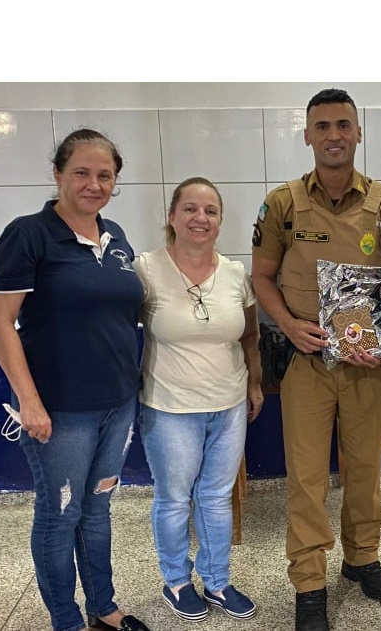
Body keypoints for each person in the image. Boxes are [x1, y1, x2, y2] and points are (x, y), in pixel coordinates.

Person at [251, 88, 381, 631]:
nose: (334, 135)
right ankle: (309, 583)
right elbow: (262, 277)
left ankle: (362, 557)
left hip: (368, 364)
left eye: (343, 124)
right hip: (308, 363)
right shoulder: (283, 203)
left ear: (358, 132)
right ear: (307, 135)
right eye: (322, 126)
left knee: (365, 469)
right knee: (306, 478)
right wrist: (288, 324)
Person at [0, 129, 151, 631]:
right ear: (57, 174)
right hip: (59, 410)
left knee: (97, 508)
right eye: (81, 172)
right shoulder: (28, 234)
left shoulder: (115, 236)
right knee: (60, 514)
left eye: (105, 175)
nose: (93, 184)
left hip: (117, 404)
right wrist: (29, 402)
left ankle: (104, 608)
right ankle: (66, 620)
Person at [135, 177, 264, 623]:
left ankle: (217, 581)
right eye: (190, 209)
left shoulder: (235, 273)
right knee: (174, 499)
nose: (200, 218)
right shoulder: (145, 270)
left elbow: (250, 335)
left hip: (228, 405)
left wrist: (254, 384)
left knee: (215, 497)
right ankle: (176, 580)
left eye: (210, 211)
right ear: (171, 216)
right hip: (169, 407)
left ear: (220, 220)